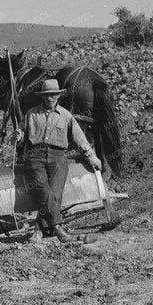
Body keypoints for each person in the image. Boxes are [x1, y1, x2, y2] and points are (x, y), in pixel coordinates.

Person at [19, 78, 101, 243]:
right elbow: (21, 135)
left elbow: (80, 139)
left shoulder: (66, 116)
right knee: (44, 192)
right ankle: (58, 229)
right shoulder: (31, 114)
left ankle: (38, 231)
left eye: (53, 95)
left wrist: (91, 157)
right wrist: (18, 135)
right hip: (35, 157)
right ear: (42, 96)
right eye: (47, 95)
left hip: (58, 157)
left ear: (58, 95)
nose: (50, 98)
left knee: (55, 194)